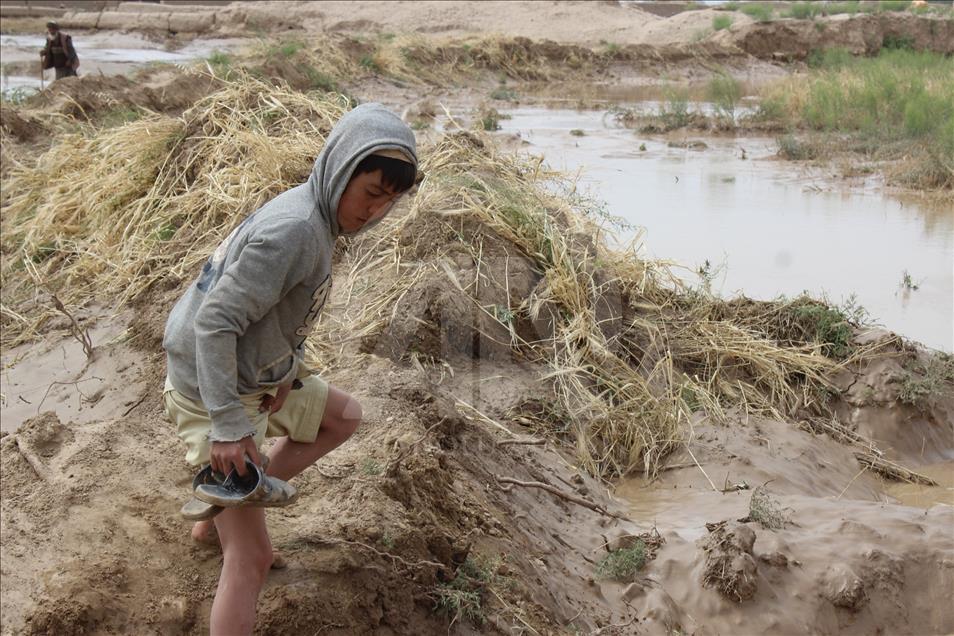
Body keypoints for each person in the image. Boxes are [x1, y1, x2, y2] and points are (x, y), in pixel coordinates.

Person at [161, 103, 418, 635]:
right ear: (341, 169)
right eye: (371, 193)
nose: (375, 212)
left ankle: (223, 509)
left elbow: (277, 316)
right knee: (251, 561)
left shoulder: (318, 218)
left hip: (253, 376)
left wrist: (285, 369)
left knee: (341, 416)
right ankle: (234, 506)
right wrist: (229, 426)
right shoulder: (297, 230)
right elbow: (214, 325)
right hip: (214, 387)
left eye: (389, 202)